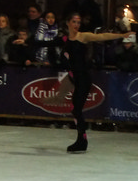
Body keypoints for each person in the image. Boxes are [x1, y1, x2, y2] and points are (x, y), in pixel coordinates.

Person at [43, 13, 132, 153]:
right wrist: (26, 42)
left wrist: (122, 35)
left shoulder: (83, 36)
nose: (76, 25)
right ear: (68, 23)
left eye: (78, 22)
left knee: (76, 109)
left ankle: (82, 140)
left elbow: (102, 36)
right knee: (74, 109)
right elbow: (47, 43)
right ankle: (81, 140)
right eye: (74, 22)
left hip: (83, 78)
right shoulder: (65, 39)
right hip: (74, 77)